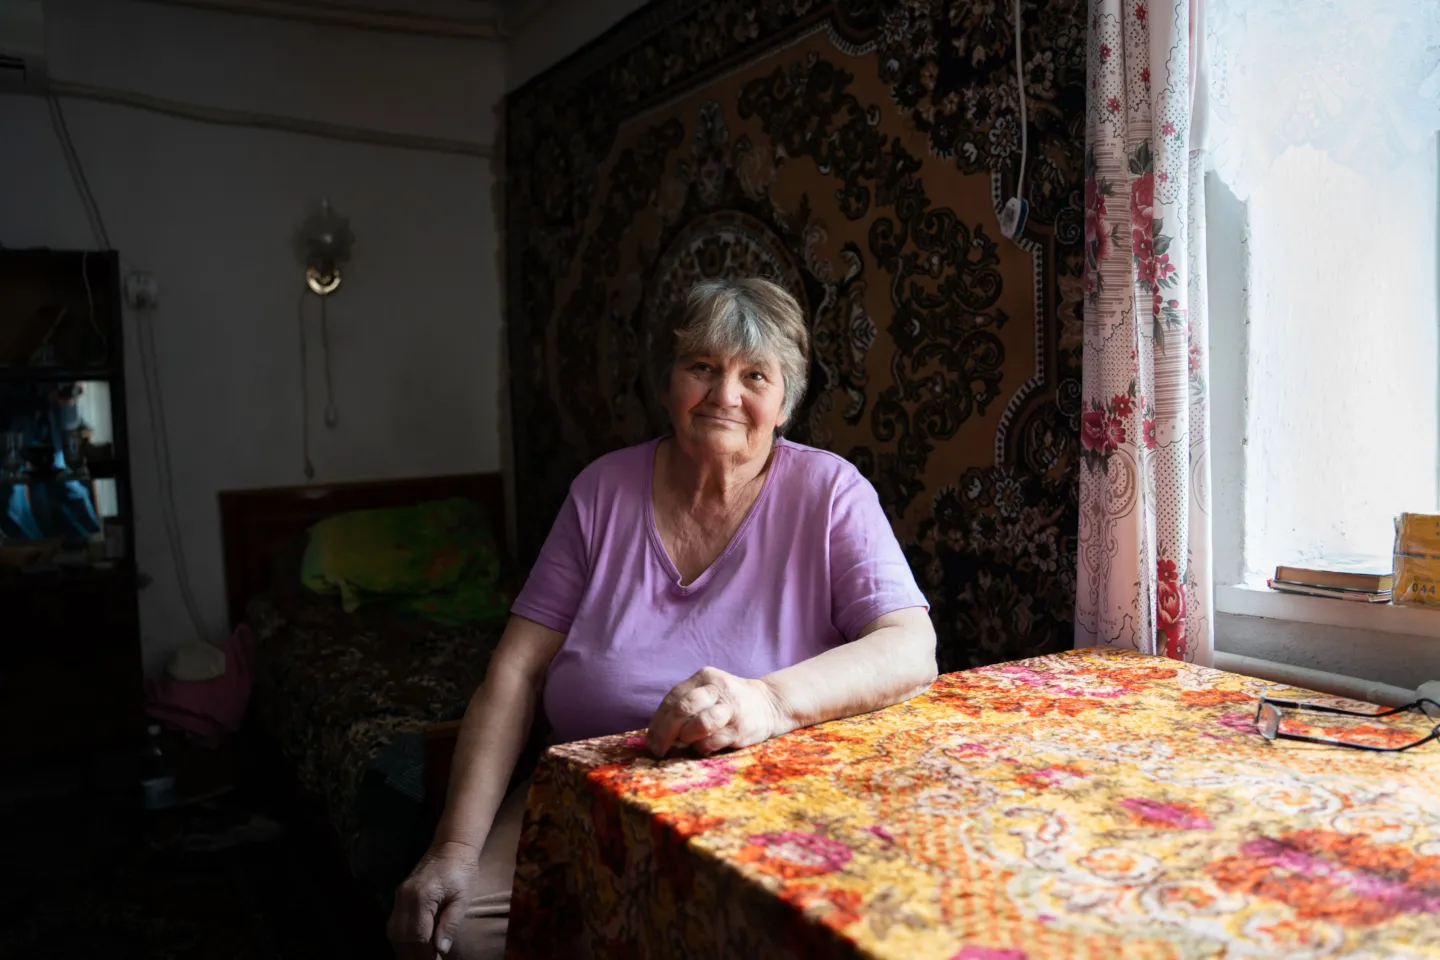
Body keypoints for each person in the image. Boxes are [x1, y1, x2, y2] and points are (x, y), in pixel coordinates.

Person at [388, 279, 937, 960]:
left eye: (754, 375)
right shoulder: (600, 492)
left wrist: (767, 700)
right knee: (459, 932)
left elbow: (911, 646)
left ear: (786, 401)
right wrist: (454, 847)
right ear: (668, 382)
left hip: (763, 808)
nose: (725, 396)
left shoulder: (830, 493)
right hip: (586, 800)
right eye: (702, 367)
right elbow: (516, 670)